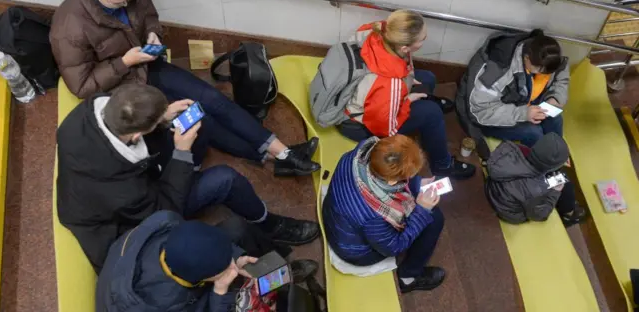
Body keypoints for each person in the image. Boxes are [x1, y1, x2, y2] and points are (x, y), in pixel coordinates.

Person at [49, 0, 319, 176]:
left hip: (147, 66)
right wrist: (124, 62)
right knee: (202, 119)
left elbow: (150, 17)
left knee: (212, 99)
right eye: (118, 3)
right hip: (122, 91)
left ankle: (284, 152)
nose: (126, 3)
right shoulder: (68, 26)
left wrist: (154, 34)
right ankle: (272, 160)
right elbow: (82, 86)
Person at [57, 84, 320, 272]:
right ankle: (269, 224)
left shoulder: (93, 111)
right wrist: (181, 153)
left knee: (194, 123)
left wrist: (161, 115)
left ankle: (253, 158)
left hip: (138, 180)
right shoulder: (122, 191)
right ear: (136, 136)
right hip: (131, 224)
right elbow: (165, 213)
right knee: (225, 179)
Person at [337, 9, 475, 179]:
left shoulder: (379, 30)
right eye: (422, 39)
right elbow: (387, 129)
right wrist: (407, 101)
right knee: (432, 113)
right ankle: (442, 166)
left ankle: (427, 112)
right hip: (359, 125)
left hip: (366, 94)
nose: (424, 40)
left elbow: (399, 66)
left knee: (428, 79)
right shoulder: (389, 83)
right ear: (404, 47)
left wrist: (408, 79)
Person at [96, 210, 319, 312]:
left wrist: (235, 257)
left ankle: (278, 273)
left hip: (176, 278)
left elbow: (207, 244)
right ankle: (269, 285)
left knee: (236, 227)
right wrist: (220, 294)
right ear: (201, 280)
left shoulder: (166, 222)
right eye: (224, 270)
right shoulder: (162, 303)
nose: (233, 268)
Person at [322, 135, 446, 293]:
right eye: (409, 177)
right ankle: (408, 277)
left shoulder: (358, 153)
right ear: (392, 182)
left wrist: (417, 184)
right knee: (434, 218)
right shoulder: (373, 216)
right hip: (354, 250)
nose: (411, 178)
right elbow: (394, 247)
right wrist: (422, 210)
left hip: (335, 215)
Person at [457, 29, 569, 148]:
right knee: (533, 132)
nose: (542, 74)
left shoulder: (546, 55)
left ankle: (556, 155)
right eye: (539, 71)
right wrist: (523, 113)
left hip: (522, 102)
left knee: (555, 119)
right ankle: (540, 162)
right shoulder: (497, 71)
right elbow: (479, 112)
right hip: (487, 116)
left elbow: (561, 75)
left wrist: (556, 98)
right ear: (526, 58)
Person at [485, 133, 586, 227]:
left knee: (562, 178)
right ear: (550, 167)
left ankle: (568, 206)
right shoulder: (537, 190)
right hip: (510, 211)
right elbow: (539, 215)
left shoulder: (510, 148)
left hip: (492, 188)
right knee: (563, 180)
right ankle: (568, 214)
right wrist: (555, 192)